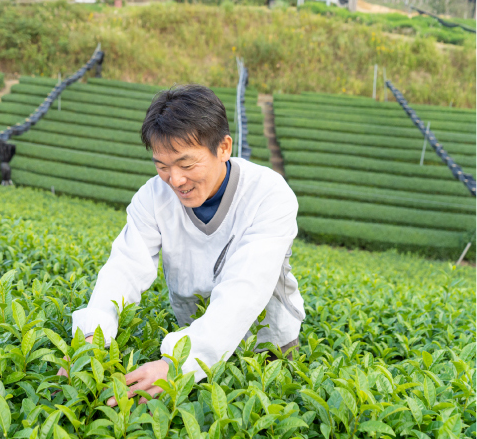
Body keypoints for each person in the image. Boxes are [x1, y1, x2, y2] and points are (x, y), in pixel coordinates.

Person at [57, 84, 305, 406]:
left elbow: (246, 289)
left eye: (186, 165)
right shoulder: (153, 198)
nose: (175, 180)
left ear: (224, 148)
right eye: (162, 166)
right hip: (190, 337)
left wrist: (178, 363)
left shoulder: (269, 196)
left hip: (267, 344)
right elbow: (126, 267)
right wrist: (93, 336)